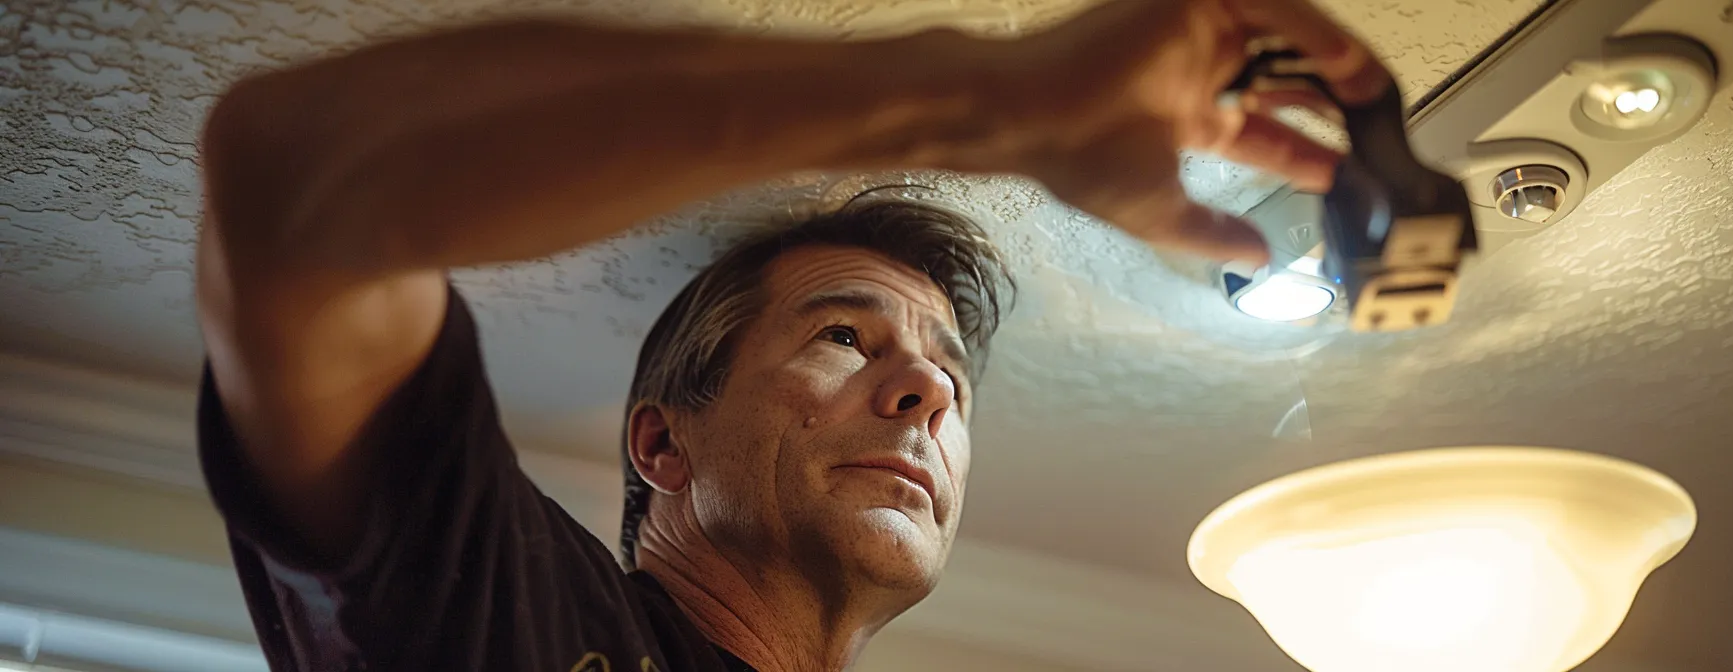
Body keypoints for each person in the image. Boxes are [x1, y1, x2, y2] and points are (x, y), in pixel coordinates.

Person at [192, 0, 1390, 670]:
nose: (926, 389)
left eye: (953, 383)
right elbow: (286, 180)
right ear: (662, 446)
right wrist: (998, 97)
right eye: (846, 339)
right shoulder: (512, 608)